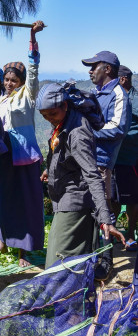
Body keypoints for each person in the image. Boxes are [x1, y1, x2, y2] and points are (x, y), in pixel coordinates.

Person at [36, 83, 126, 269]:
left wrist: (105, 218)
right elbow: (62, 153)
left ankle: (68, 294)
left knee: (58, 263)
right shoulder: (65, 121)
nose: (49, 119)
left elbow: (93, 175)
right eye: (45, 116)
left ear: (65, 106)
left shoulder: (77, 133)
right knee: (64, 257)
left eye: (52, 114)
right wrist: (49, 169)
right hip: (66, 197)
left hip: (75, 201)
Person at [0, 21, 45, 267]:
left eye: (14, 80)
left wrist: (32, 38)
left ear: (22, 81)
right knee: (5, 198)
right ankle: (4, 240)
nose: (9, 83)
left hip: (24, 155)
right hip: (3, 155)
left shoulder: (28, 96)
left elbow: (34, 70)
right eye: (7, 80)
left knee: (25, 200)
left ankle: (24, 252)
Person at [82, 51, 131, 280]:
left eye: (94, 66)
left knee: (103, 210)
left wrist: (87, 133)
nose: (90, 71)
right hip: (85, 159)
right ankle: (89, 254)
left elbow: (118, 127)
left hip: (101, 162)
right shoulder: (95, 94)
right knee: (87, 209)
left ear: (108, 69)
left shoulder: (118, 95)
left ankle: (106, 258)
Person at [112, 65, 138, 251]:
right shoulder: (113, 97)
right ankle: (113, 234)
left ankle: (130, 235)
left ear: (123, 79)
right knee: (112, 199)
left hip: (130, 159)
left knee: (132, 200)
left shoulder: (135, 100)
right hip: (113, 158)